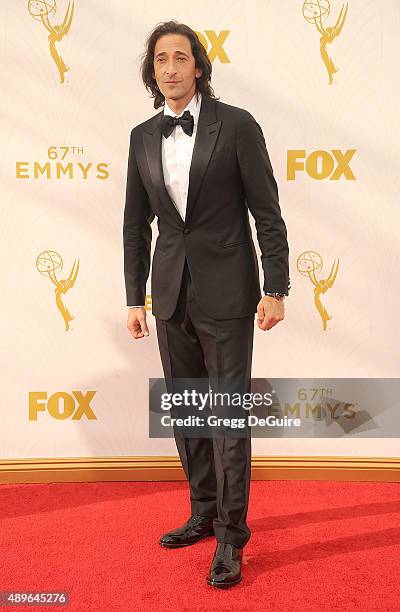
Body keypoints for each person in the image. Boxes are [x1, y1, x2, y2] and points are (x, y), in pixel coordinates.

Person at [123, 20, 290, 589]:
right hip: (169, 293)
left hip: (229, 292)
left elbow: (267, 211)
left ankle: (231, 535)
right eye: (160, 59)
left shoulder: (237, 126)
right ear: (153, 71)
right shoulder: (142, 136)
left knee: (226, 416)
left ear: (199, 66)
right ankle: (202, 510)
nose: (170, 68)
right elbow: (133, 223)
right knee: (190, 412)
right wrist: (133, 297)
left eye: (180, 58)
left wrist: (277, 287)